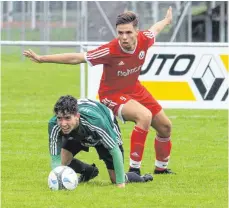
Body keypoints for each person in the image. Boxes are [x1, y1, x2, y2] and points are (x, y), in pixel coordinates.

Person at [24, 7, 174, 175]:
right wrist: (42, 59)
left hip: (135, 88)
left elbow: (156, 29)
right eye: (120, 32)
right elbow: (77, 58)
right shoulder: (110, 50)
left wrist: (166, 21)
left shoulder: (145, 39)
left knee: (166, 127)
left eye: (128, 32)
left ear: (136, 31)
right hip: (112, 95)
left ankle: (161, 168)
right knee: (144, 116)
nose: (124, 37)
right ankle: (134, 170)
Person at [49, 95, 153, 188]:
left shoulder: (96, 122)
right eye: (59, 118)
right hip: (76, 133)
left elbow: (114, 150)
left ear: (77, 116)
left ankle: (140, 178)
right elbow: (55, 157)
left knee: (115, 178)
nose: (63, 123)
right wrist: (57, 179)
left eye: (67, 118)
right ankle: (88, 171)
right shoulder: (54, 124)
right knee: (63, 161)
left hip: (104, 128)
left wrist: (120, 183)